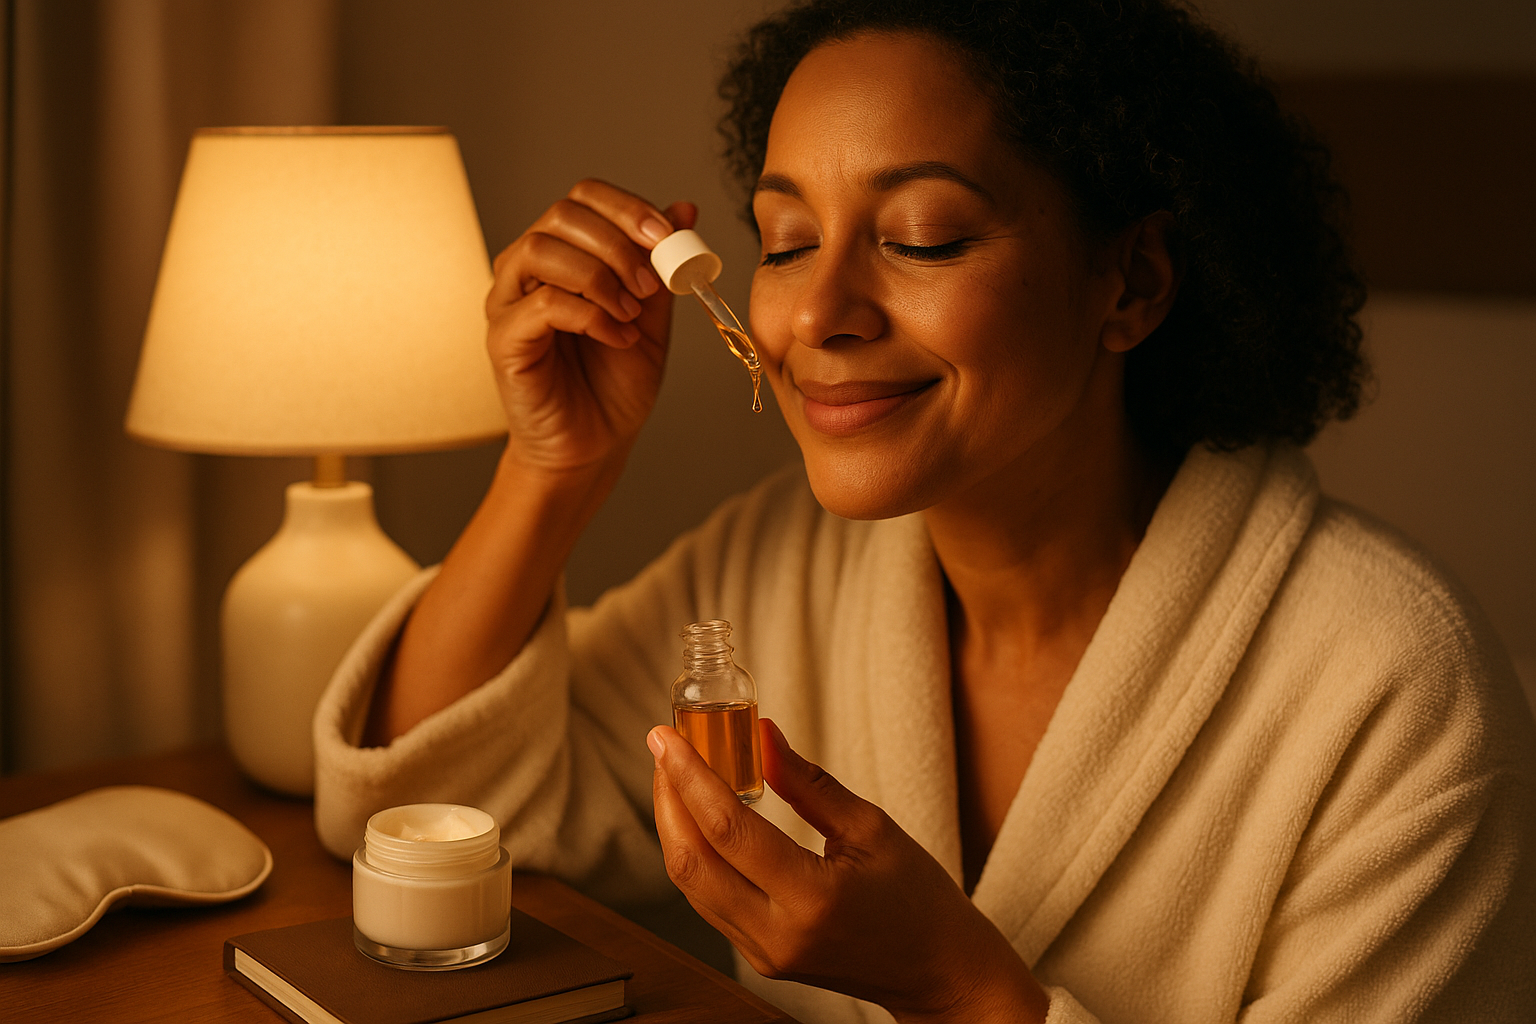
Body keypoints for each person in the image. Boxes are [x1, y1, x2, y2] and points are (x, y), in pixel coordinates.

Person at [314, 1, 1536, 1021]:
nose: (821, 312)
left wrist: (959, 991)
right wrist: (553, 466)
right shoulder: (779, 568)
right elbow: (434, 815)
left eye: (924, 237)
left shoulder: (1394, 690)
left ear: (1134, 281)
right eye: (786, 242)